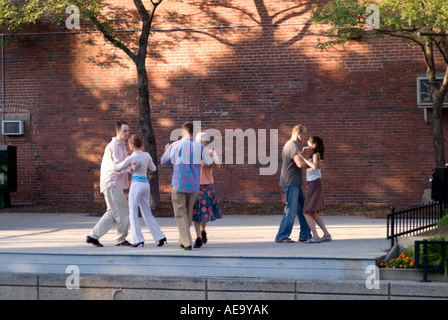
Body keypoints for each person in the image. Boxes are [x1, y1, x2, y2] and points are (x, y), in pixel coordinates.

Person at [86, 121, 140, 247]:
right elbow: (115, 167)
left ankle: (93, 236)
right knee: (123, 210)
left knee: (112, 212)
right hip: (111, 183)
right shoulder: (112, 146)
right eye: (124, 131)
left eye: (128, 131)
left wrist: (131, 168)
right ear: (117, 132)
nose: (127, 133)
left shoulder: (121, 146)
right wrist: (130, 168)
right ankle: (120, 239)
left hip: (117, 183)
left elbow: (125, 165)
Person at [161, 122, 213, 250]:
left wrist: (166, 151)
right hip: (194, 185)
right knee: (188, 213)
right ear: (193, 133)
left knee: (180, 214)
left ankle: (187, 242)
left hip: (179, 183)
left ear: (182, 132)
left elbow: (163, 161)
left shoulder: (175, 145)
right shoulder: (199, 147)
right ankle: (183, 239)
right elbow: (209, 162)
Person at [113, 135, 167, 248]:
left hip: (136, 185)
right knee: (147, 213)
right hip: (145, 185)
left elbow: (117, 168)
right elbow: (154, 169)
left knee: (133, 213)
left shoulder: (131, 157)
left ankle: (137, 239)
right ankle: (159, 236)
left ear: (132, 145)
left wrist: (128, 167)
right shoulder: (147, 155)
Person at [275, 124, 311, 243]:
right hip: (290, 182)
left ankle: (305, 235)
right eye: (304, 134)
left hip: (294, 182)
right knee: (290, 210)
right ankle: (281, 236)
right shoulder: (292, 145)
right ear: (298, 132)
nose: (305, 137)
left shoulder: (292, 146)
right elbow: (299, 164)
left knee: (303, 209)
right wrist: (313, 166)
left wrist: (303, 153)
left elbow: (296, 160)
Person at [192, 132, 223, 248]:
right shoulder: (193, 154)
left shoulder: (210, 152)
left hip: (207, 186)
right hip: (195, 187)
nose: (200, 142)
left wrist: (211, 157)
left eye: (202, 141)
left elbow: (218, 165)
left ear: (205, 142)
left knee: (204, 213)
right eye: (198, 140)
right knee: (196, 213)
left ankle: (203, 230)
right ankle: (198, 238)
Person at [299, 136, 331, 243]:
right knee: (313, 213)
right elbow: (308, 165)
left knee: (306, 212)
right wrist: (303, 153)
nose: (307, 145)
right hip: (314, 183)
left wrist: (302, 157)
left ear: (314, 145)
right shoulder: (315, 155)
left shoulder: (316, 155)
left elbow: (314, 166)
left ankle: (315, 236)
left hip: (314, 184)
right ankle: (326, 234)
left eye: (308, 144)